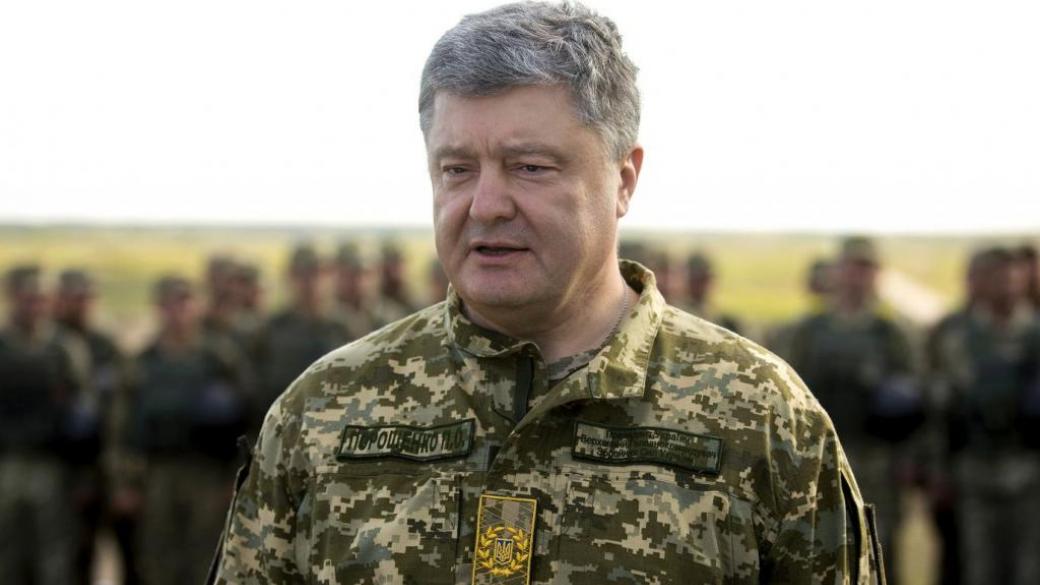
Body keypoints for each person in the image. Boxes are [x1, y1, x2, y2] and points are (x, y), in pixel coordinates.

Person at [210, 3, 884, 584]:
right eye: (457, 169)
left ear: (624, 179)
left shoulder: (763, 418)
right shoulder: (323, 411)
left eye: (529, 167)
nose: (486, 205)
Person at [787, 236, 923, 581]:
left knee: (881, 553)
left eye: (868, 268)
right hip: (819, 464)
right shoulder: (807, 333)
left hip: (878, 462)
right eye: (853, 267)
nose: (859, 277)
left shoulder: (891, 335)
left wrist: (911, 461)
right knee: (819, 554)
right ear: (836, 272)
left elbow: (915, 406)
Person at [112, 275, 249, 585]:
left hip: (206, 473)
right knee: (158, 557)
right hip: (157, 473)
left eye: (185, 303)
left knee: (205, 557)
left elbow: (246, 418)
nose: (178, 312)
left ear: (198, 307)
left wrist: (236, 478)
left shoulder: (219, 357)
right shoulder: (142, 362)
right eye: (170, 304)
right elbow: (122, 427)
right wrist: (124, 482)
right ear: (159, 308)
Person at [927, 247, 1040, 585]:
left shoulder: (1033, 334)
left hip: (1029, 468)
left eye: (1014, 277)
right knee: (980, 566)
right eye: (998, 277)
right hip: (974, 468)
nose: (1008, 285)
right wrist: (938, 469)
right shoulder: (955, 336)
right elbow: (939, 409)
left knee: (1029, 568)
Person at [0, 265, 81, 584]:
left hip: (51, 464)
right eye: (26, 298)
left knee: (53, 554)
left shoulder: (63, 349)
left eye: (39, 299)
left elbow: (82, 410)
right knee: (7, 551)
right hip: (7, 461)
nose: (33, 305)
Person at [53, 268, 127, 585]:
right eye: (73, 297)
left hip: (108, 464)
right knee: (73, 554)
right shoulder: (51, 344)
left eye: (86, 297)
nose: (81, 304)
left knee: (129, 551)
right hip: (65, 468)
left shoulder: (105, 345)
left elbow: (124, 403)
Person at [249, 244, 349, 432]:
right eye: (302, 274)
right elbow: (256, 388)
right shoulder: (271, 329)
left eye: (318, 274)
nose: (311, 282)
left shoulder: (345, 327)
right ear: (290, 277)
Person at [682, 251, 743, 334]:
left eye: (705, 279)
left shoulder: (727, 322)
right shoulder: (681, 316)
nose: (703, 285)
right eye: (698, 280)